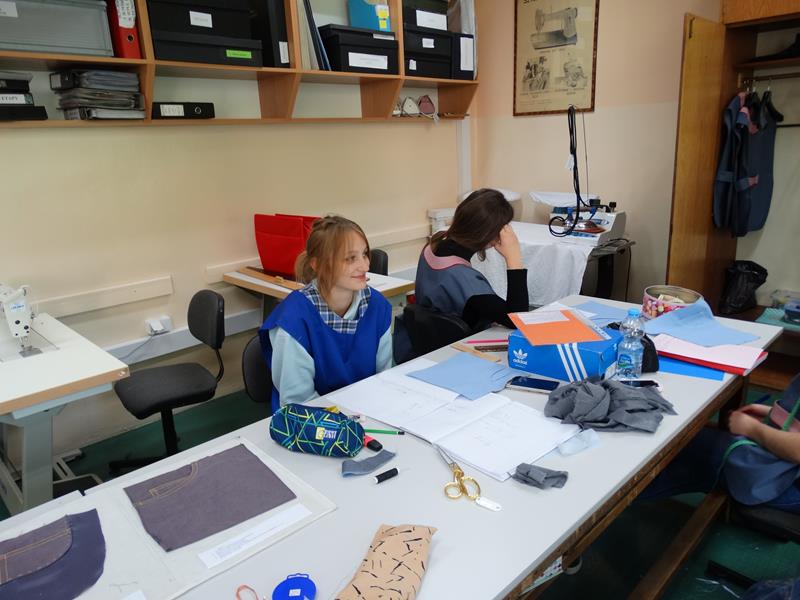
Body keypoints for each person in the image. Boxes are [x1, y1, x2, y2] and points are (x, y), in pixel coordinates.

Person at [259, 215, 392, 412]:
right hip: (313, 419)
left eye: (365, 254)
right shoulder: (294, 320)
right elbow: (299, 402)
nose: (365, 266)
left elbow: (384, 379)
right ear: (318, 264)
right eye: (350, 258)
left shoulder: (377, 306)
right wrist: (349, 420)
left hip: (368, 412)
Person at [641, 373, 800, 514]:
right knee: (695, 442)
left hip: (789, 485)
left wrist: (753, 429)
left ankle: (627, 495)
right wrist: (775, 414)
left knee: (688, 448)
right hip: (787, 465)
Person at [415, 188, 529, 331]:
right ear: (489, 234)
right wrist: (514, 259)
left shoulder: (433, 244)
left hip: (430, 334)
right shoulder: (466, 281)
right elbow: (517, 320)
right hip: (460, 340)